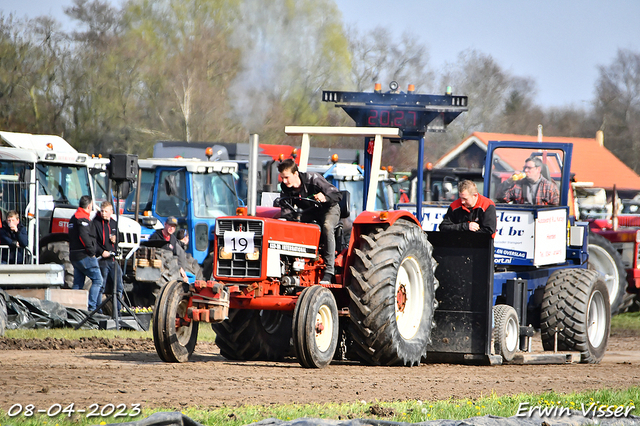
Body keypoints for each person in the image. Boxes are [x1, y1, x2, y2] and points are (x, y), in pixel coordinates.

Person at [277, 159, 342, 284]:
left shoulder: (313, 179)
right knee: (289, 225)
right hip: (309, 211)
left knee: (327, 226)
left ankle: (329, 271)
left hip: (329, 208)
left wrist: (325, 197)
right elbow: (286, 211)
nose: (284, 181)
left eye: (287, 177)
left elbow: (337, 194)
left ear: (296, 174)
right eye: (282, 178)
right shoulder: (285, 188)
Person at [69, 195, 104, 312]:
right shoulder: (82, 218)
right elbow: (84, 236)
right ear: (89, 206)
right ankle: (91, 308)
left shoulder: (73, 218)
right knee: (98, 280)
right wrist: (92, 251)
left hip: (74, 255)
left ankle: (74, 309)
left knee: (78, 283)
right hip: (84, 255)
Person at [93, 201, 124, 310]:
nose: (103, 213)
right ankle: (98, 310)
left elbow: (120, 237)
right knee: (101, 286)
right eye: (102, 211)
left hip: (113, 259)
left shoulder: (114, 223)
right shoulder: (96, 223)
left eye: (106, 211)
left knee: (119, 287)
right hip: (102, 259)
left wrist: (116, 238)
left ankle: (118, 311)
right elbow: (93, 242)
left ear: (111, 212)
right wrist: (102, 252)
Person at [149, 216, 188, 281]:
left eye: (174, 227)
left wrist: (181, 270)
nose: (172, 228)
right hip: (157, 269)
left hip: (169, 269)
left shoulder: (173, 239)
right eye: (170, 225)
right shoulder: (156, 236)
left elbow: (176, 256)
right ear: (165, 224)